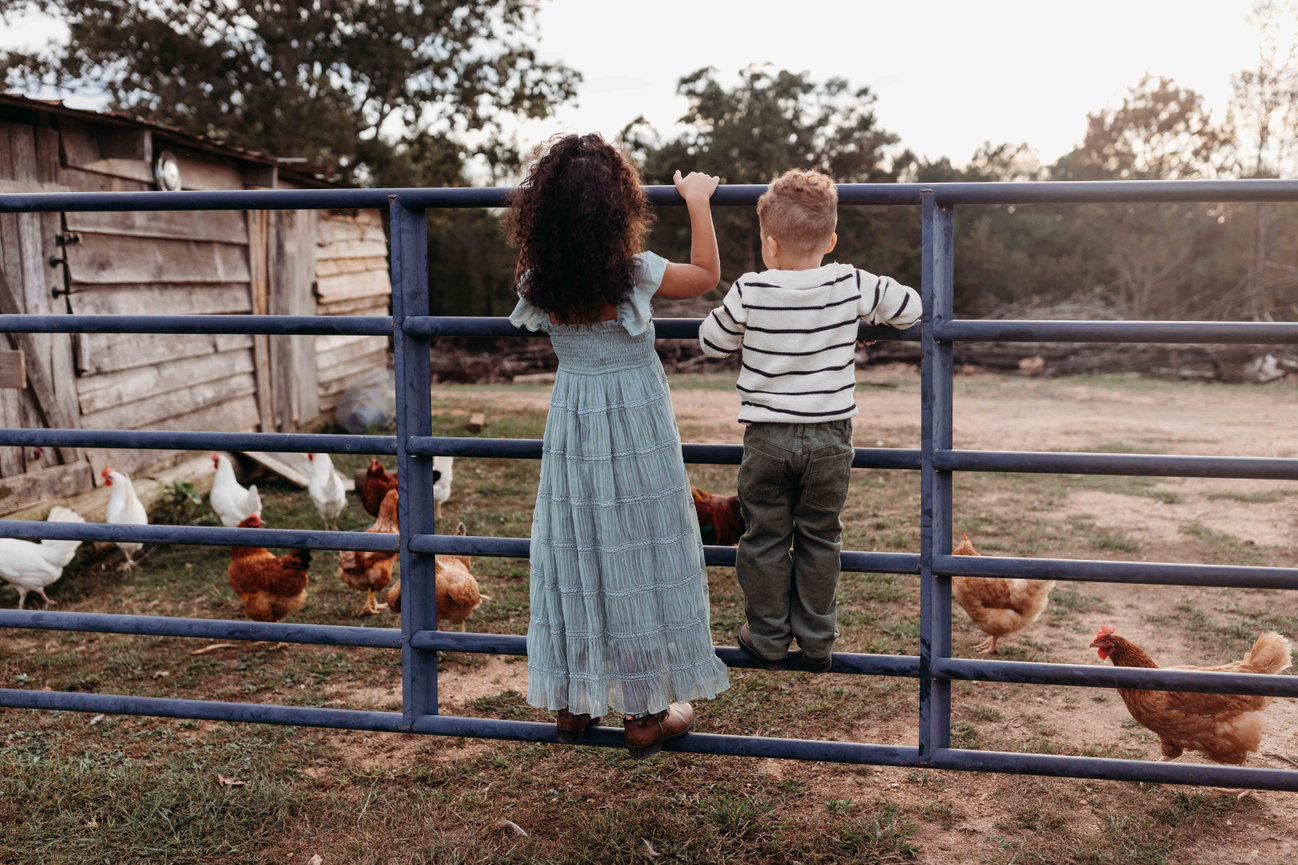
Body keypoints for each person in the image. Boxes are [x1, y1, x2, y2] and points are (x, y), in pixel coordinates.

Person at [506, 133, 731, 758]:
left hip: (574, 423)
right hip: (636, 426)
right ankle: (644, 714)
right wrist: (698, 199)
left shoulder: (536, 277)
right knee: (637, 552)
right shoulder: (634, 272)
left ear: (543, 212)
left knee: (578, 549)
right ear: (620, 207)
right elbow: (709, 275)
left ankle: (571, 709)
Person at [698, 168, 921, 672]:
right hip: (829, 436)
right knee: (821, 535)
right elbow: (912, 309)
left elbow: (710, 342)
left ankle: (769, 636)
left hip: (768, 437)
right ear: (832, 240)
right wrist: (859, 324)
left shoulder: (751, 289)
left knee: (764, 537)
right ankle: (818, 639)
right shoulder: (851, 281)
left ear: (768, 243)